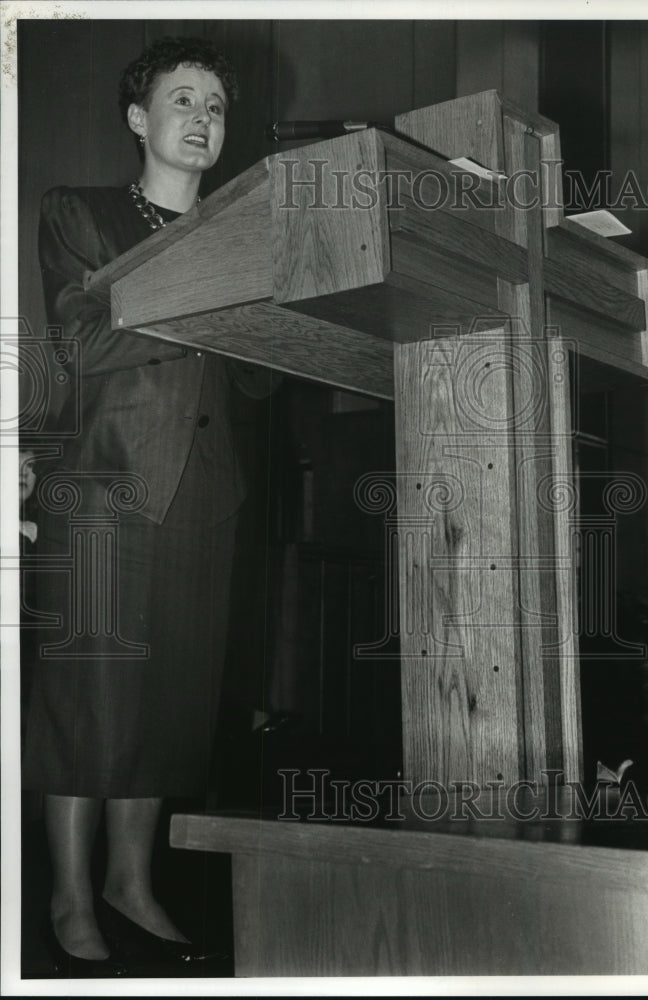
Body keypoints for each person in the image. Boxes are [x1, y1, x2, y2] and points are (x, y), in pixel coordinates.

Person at [21, 36, 277, 977]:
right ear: (140, 120)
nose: (202, 119)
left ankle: (133, 886)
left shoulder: (245, 234)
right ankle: (68, 895)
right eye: (183, 100)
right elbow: (83, 344)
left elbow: (255, 384)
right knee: (87, 705)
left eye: (214, 105)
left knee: (166, 708)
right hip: (104, 487)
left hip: (207, 495)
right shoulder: (80, 214)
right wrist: (202, 284)